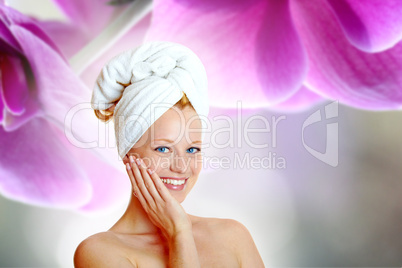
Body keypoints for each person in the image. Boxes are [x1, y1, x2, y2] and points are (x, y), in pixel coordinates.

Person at [74, 41, 265, 267]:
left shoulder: (233, 237)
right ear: (128, 155)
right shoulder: (100, 252)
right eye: (163, 149)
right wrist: (179, 233)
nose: (182, 167)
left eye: (192, 149)